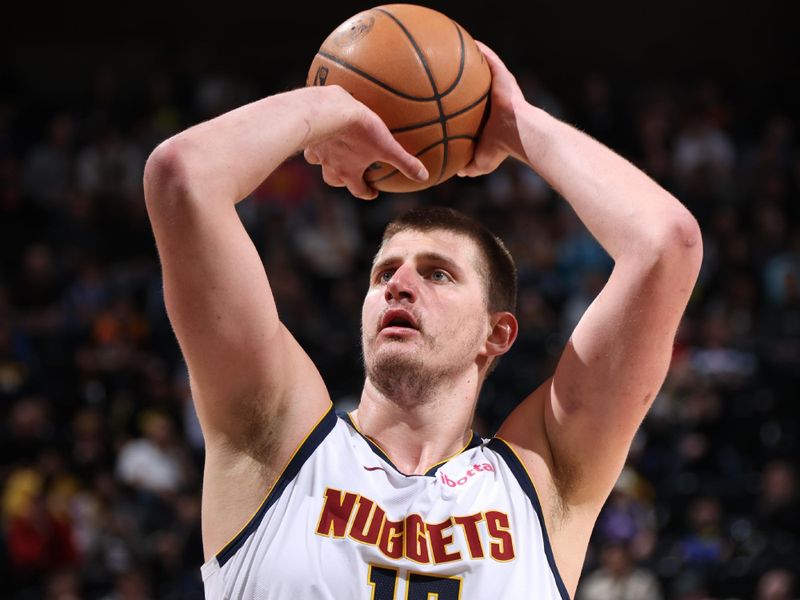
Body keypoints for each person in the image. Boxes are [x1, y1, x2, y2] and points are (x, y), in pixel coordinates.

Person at [143, 42, 702, 599]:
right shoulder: (277, 442)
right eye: (383, 273)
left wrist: (515, 124)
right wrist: (331, 109)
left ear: (497, 333)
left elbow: (665, 245)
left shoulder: (545, 478)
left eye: (437, 274)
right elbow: (182, 176)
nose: (398, 285)